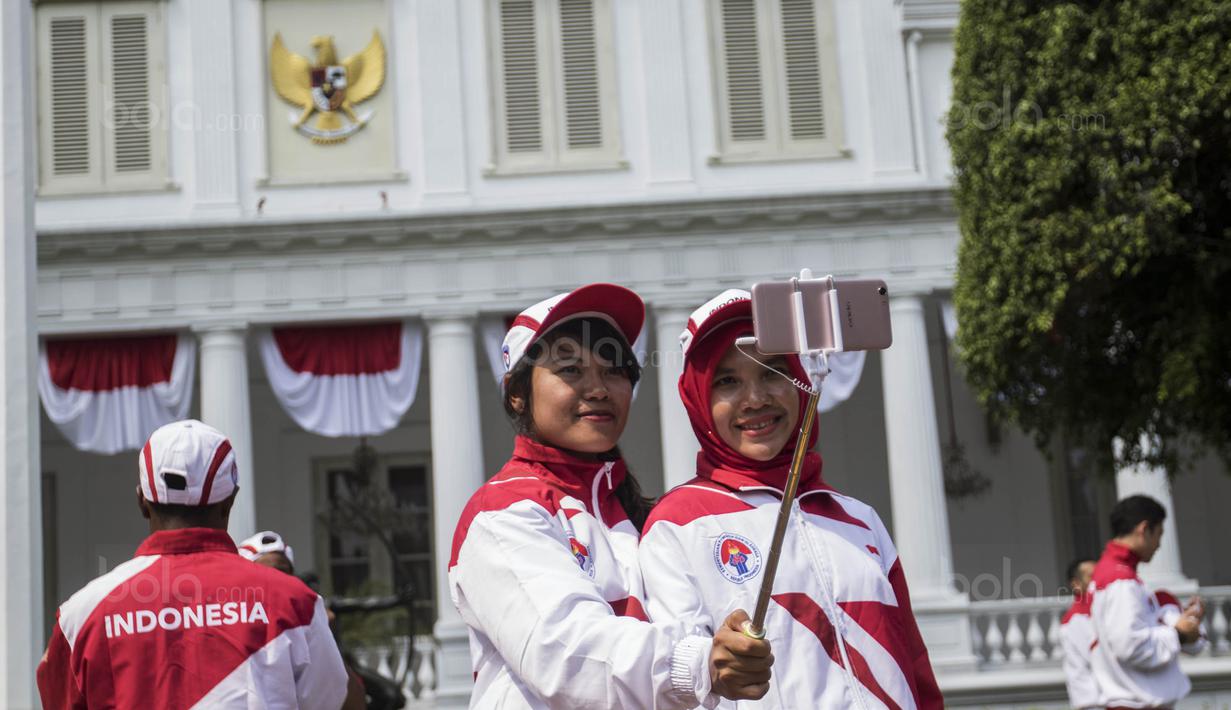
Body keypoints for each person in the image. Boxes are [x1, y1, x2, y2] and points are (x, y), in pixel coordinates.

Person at [449, 283, 774, 709]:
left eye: (614, 370)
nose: (598, 388)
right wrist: (704, 663)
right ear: (517, 392)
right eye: (570, 370)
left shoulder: (648, 518)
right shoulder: (502, 511)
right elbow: (565, 652)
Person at [638, 289, 943, 709]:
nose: (756, 399)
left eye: (773, 371)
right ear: (698, 397)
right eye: (728, 380)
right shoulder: (677, 523)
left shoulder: (859, 518)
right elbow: (680, 683)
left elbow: (915, 666)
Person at [38, 420, 349, 709]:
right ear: (230, 500)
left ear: (142, 501)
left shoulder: (82, 615)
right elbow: (329, 700)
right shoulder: (294, 603)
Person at [1090, 495, 1206, 709]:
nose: (1160, 544)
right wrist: (1179, 633)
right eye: (1159, 534)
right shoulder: (1120, 580)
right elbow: (1131, 646)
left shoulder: (1112, 574)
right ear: (1144, 529)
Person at [238, 530, 370, 710]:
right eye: (264, 573)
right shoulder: (228, 627)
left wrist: (322, 633)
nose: (276, 582)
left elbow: (349, 700)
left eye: (282, 573)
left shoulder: (306, 618)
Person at [1059, 557, 1099, 709]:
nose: (1097, 581)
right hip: (1094, 703)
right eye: (1091, 577)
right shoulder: (1074, 620)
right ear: (1076, 584)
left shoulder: (1096, 611)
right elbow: (1097, 659)